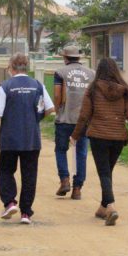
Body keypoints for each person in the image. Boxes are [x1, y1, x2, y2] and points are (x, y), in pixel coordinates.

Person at [71, 57, 128, 226]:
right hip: (118, 138)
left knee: (104, 173)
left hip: (98, 136)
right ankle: (102, 207)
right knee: (107, 171)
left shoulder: (93, 89)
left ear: (99, 70)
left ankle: (111, 207)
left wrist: (75, 135)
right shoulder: (124, 90)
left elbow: (84, 116)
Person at [0, 53, 55, 224]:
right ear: (27, 67)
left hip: (9, 138)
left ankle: (9, 202)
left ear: (11, 67)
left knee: (6, 170)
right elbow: (50, 108)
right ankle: (26, 213)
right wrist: (36, 118)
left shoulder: (6, 86)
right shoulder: (37, 85)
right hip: (31, 138)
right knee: (29, 174)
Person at [53, 45, 95, 200]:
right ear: (78, 57)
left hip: (65, 119)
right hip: (84, 120)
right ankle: (77, 189)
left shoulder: (60, 72)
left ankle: (64, 180)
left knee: (60, 150)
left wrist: (58, 110)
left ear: (65, 58)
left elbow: (57, 95)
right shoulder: (91, 74)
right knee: (81, 153)